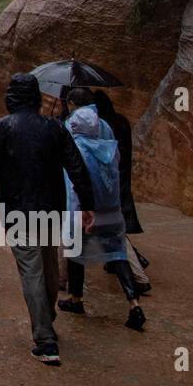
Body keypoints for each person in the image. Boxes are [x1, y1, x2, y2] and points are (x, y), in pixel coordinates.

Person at [0, 73, 95, 366]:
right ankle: (47, 316)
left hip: (16, 209)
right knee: (49, 261)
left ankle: (45, 338)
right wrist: (88, 204)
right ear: (37, 97)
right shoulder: (55, 128)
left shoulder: (0, 129)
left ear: (11, 97)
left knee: (31, 268)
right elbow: (76, 166)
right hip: (51, 207)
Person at [57, 106, 146, 331]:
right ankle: (133, 302)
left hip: (85, 214)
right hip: (112, 213)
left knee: (76, 256)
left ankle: (76, 299)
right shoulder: (109, 149)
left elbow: (75, 185)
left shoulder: (76, 149)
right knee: (118, 256)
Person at [94, 89, 149, 288]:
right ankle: (118, 260)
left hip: (108, 175)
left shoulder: (102, 125)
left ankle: (135, 263)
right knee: (115, 220)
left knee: (110, 225)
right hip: (122, 172)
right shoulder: (122, 121)